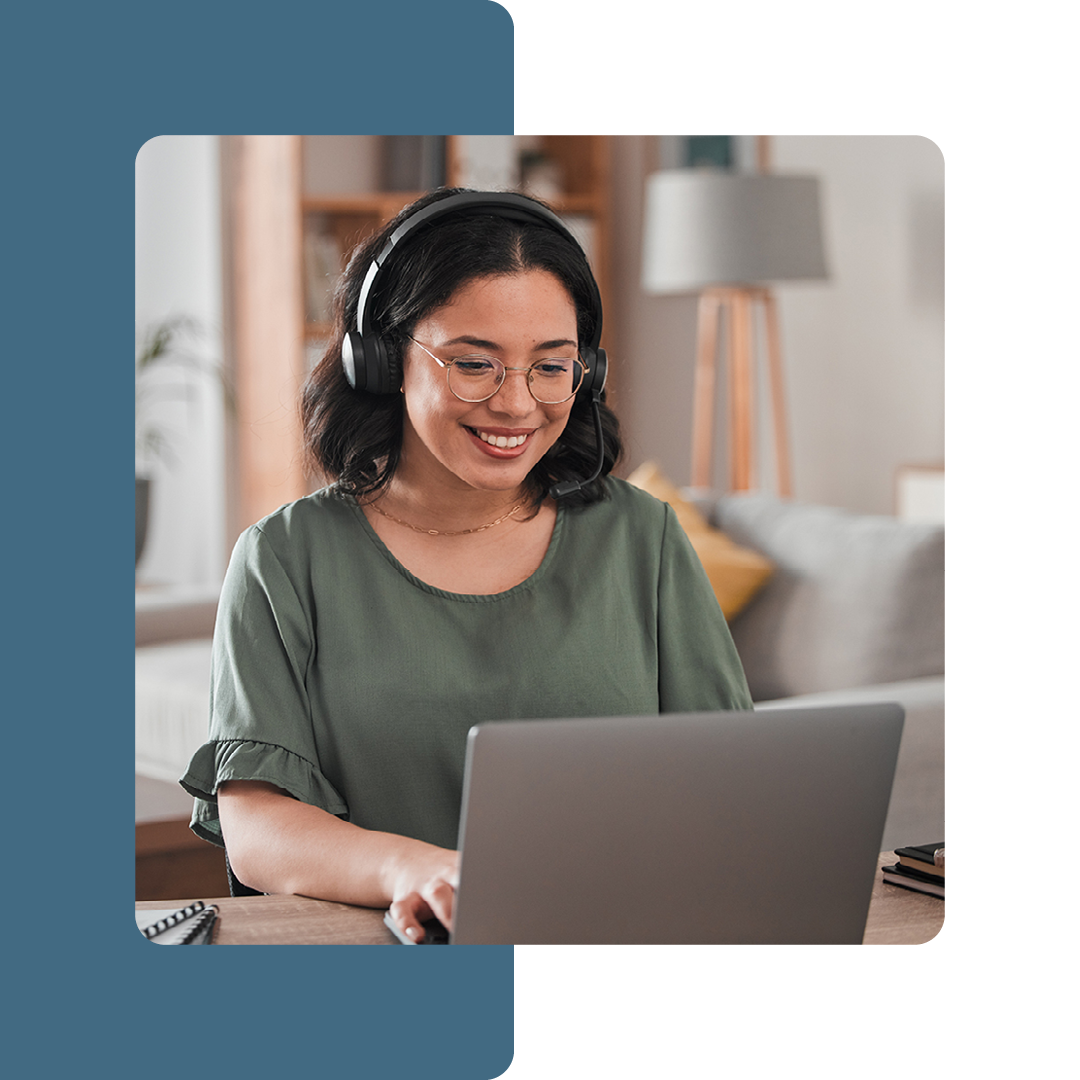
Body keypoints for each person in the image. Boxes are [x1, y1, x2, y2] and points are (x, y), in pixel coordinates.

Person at [181, 188, 752, 941]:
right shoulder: (284, 559)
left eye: (551, 367)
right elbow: (257, 827)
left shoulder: (641, 538)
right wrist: (411, 871)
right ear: (382, 360)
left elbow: (734, 784)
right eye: (475, 364)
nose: (517, 405)